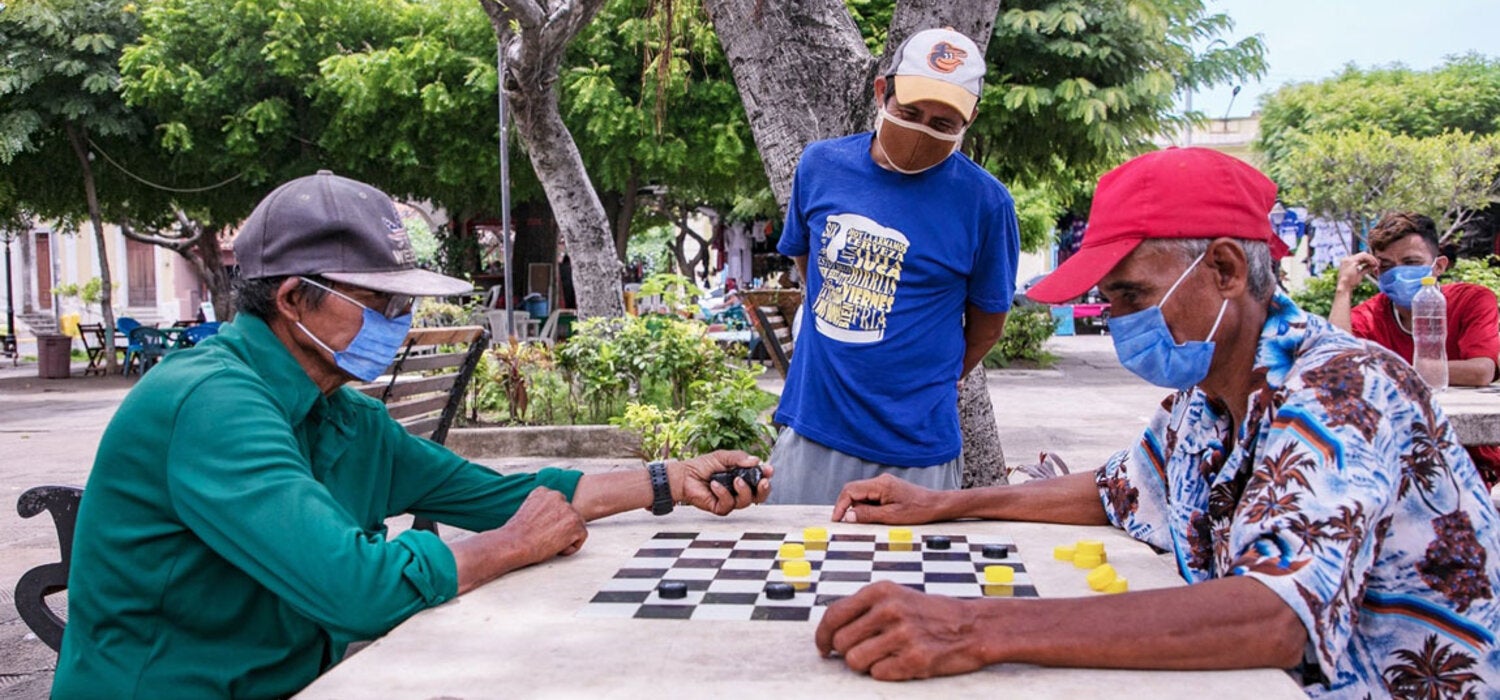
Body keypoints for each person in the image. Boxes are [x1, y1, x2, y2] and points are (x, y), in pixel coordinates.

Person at [52, 171, 772, 699]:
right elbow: (357, 591)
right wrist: (511, 545)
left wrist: (668, 480)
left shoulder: (339, 413)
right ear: (294, 297)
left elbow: (500, 497)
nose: (401, 323)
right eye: (382, 302)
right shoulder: (210, 403)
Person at [812, 149, 1500, 698]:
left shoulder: (1344, 387)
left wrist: (971, 627)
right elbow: (1118, 488)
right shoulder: (1207, 397)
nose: (1117, 322)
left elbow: (1275, 615)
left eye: (1132, 294)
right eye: (1108, 301)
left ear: (1225, 268)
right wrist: (943, 504)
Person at [767, 27, 1020, 504]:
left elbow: (988, 326)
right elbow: (809, 265)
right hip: (813, 431)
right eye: (910, 113)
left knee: (908, 559)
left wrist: (922, 382)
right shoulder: (820, 166)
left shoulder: (986, 204)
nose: (923, 131)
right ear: (882, 91)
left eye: (943, 123)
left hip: (917, 452)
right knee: (798, 554)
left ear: (970, 119)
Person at [1328, 211, 1500, 489]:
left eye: (1411, 262)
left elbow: (1481, 371)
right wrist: (1343, 288)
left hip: (1468, 463)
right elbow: (1337, 367)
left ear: (1438, 266)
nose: (1398, 273)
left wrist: (1382, 367)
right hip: (1392, 462)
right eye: (1386, 265)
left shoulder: (1471, 301)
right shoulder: (1367, 317)